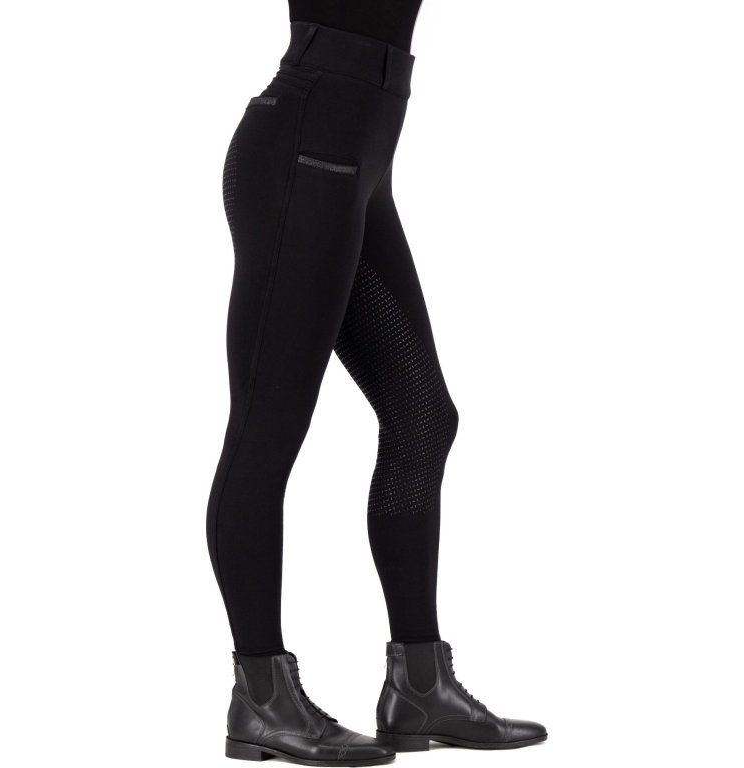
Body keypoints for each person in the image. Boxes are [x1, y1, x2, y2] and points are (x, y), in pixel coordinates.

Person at [206, 2, 547, 763]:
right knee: (266, 433)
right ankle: (261, 696)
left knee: (423, 415)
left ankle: (420, 685)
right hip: (305, 153)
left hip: (355, 158)